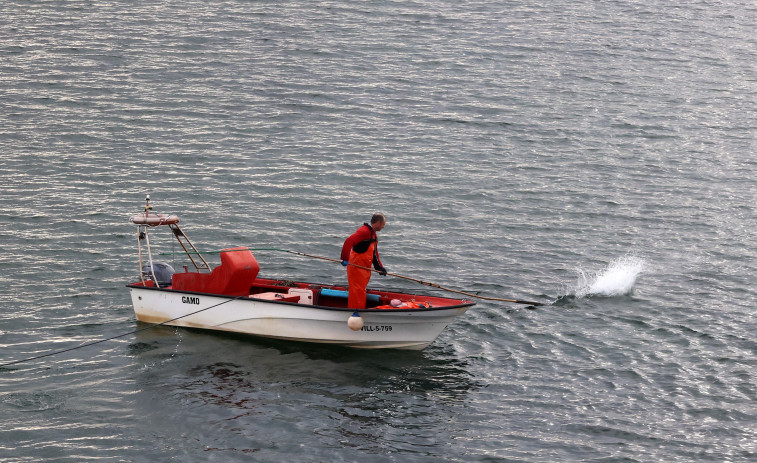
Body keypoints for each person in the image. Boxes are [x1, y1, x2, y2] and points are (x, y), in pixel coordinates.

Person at [340, 213, 387, 309]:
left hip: (365, 270)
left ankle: (358, 310)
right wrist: (345, 259)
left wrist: (379, 268)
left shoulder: (373, 234)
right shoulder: (364, 231)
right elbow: (349, 241)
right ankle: (355, 312)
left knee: (361, 291)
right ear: (377, 223)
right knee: (357, 292)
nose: (383, 226)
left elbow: (374, 253)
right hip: (356, 268)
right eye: (383, 224)